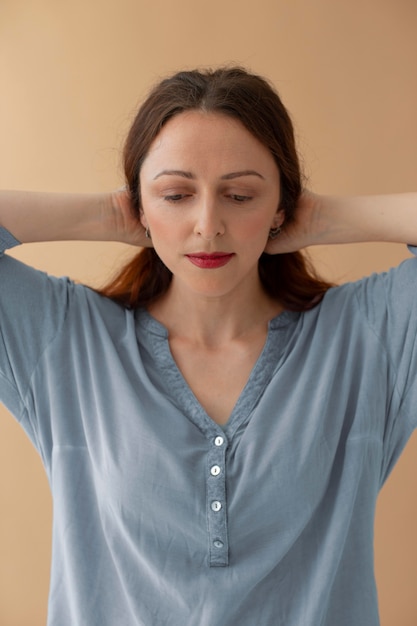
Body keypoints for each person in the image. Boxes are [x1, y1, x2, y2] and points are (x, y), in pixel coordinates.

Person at [0, 66, 416, 626]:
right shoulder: (68, 340)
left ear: (280, 206)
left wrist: (323, 217)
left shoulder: (369, 338)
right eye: (176, 194)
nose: (207, 224)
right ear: (139, 204)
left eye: (240, 195)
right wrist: (103, 215)